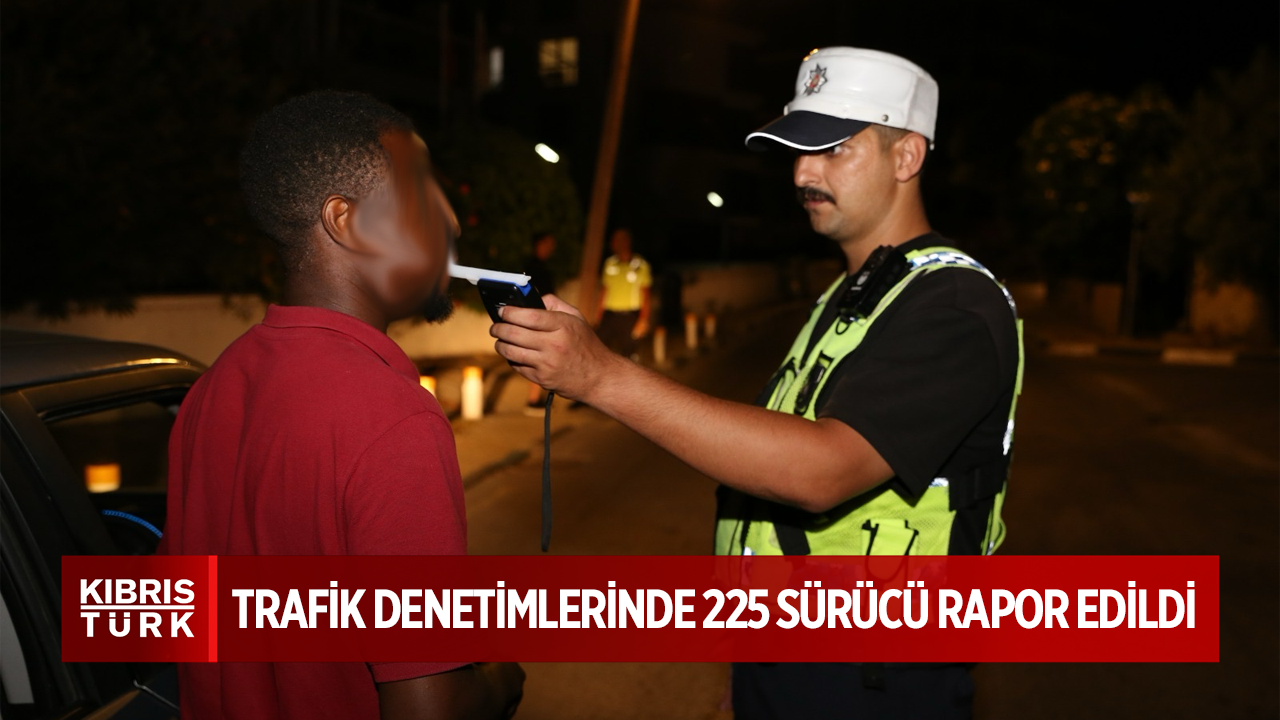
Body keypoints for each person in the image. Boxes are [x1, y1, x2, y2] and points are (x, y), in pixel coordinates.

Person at [490, 47, 1024, 719]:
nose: (803, 172)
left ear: (907, 156)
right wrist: (746, 676)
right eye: (798, 150)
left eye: (833, 148)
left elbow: (821, 470)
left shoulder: (954, 305)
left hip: (876, 681)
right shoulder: (850, 295)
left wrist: (601, 376)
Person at [158, 91, 524, 720]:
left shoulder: (211, 388)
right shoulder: (394, 420)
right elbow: (428, 711)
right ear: (345, 221)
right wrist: (499, 679)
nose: (453, 223)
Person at [595, 228, 652, 360]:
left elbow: (646, 295)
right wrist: (599, 316)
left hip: (630, 316)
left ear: (627, 242)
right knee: (600, 350)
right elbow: (604, 291)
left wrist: (643, 320)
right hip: (610, 315)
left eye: (618, 240)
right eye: (614, 240)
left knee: (628, 355)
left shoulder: (640, 265)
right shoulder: (610, 263)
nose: (614, 243)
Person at [524, 231, 557, 414]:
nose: (552, 248)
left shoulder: (541, 266)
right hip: (536, 317)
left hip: (540, 316)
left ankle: (535, 399)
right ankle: (533, 400)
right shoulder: (533, 267)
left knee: (539, 357)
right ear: (540, 244)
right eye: (549, 244)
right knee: (537, 358)